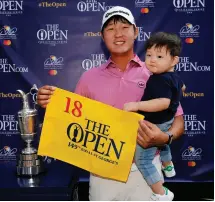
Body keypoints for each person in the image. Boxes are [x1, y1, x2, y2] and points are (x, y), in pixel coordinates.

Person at [36, 6, 184, 201]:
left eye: (124, 27)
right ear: (102, 35)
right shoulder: (89, 78)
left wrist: (165, 138)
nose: (118, 34)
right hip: (102, 173)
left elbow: (178, 122)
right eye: (111, 29)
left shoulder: (157, 73)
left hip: (146, 172)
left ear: (136, 31)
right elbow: (72, 119)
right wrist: (50, 102)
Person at [124, 32, 185, 200]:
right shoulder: (173, 76)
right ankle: (168, 165)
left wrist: (136, 105)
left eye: (159, 56)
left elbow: (163, 102)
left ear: (174, 60)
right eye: (149, 55)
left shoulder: (159, 79)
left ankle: (162, 193)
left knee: (143, 161)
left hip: (155, 123)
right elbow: (181, 87)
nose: (152, 60)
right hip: (166, 121)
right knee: (163, 142)